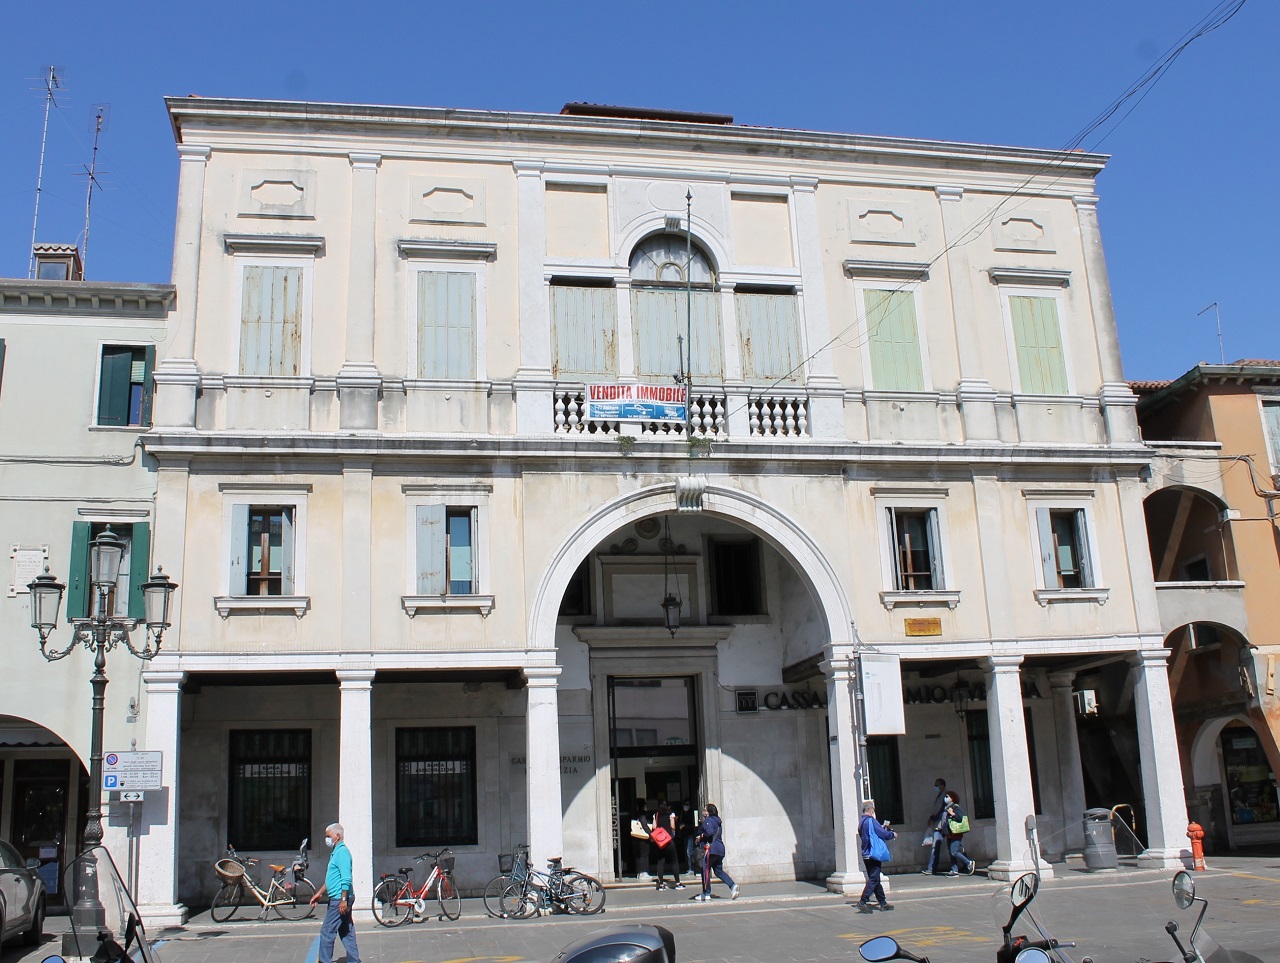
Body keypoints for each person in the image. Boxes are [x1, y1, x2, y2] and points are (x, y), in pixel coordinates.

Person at [310, 823, 361, 963]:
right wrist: (319, 893)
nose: (326, 839)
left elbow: (346, 879)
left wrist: (343, 900)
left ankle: (325, 961)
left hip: (339, 898)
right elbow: (332, 879)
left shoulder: (343, 853)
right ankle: (354, 960)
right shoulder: (336, 852)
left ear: (337, 836)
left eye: (328, 836)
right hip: (339, 897)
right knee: (346, 930)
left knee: (327, 932)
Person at [856, 799, 897, 913]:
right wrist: (892, 834)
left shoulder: (861, 822)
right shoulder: (871, 821)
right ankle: (863, 901)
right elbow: (883, 834)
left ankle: (883, 903)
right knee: (874, 879)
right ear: (871, 809)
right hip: (873, 853)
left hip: (865, 853)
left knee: (875, 878)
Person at [694, 802, 739, 901]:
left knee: (705, 870)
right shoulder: (718, 822)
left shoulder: (708, 821)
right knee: (718, 871)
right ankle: (732, 886)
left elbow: (709, 832)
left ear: (709, 812)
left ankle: (706, 893)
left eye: (705, 810)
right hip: (719, 849)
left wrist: (701, 836)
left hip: (710, 849)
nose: (703, 811)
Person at [650, 800, 684, 890]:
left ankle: (661, 884)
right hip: (668, 840)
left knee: (660, 862)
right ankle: (677, 883)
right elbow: (672, 826)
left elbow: (654, 827)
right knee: (674, 861)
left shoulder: (656, 815)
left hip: (659, 841)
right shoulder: (671, 814)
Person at [942, 791, 976, 876]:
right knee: (951, 852)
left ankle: (969, 863)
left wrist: (952, 813)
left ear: (952, 798)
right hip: (949, 833)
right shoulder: (947, 808)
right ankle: (954, 870)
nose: (945, 798)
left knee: (954, 851)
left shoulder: (955, 807)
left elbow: (960, 817)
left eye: (947, 796)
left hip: (956, 833)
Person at [921, 778, 947, 875]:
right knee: (951, 847)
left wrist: (934, 817)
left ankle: (931, 868)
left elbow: (943, 810)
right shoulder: (939, 796)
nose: (936, 787)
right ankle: (966, 862)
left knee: (936, 847)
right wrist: (932, 817)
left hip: (941, 825)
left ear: (942, 786)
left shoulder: (945, 796)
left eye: (937, 785)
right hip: (938, 824)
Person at [677, 798, 698, 874]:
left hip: (691, 834)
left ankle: (691, 868)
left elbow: (694, 824)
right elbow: (680, 821)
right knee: (687, 852)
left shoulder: (691, 813)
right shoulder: (682, 813)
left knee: (689, 852)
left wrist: (685, 825)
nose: (686, 806)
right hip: (685, 834)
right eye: (685, 804)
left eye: (687, 804)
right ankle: (689, 867)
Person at [633, 797, 652, 879]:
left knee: (639, 855)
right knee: (644, 854)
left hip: (636, 837)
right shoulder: (642, 813)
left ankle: (639, 872)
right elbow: (644, 824)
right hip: (643, 837)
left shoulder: (635, 813)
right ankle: (643, 872)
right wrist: (651, 834)